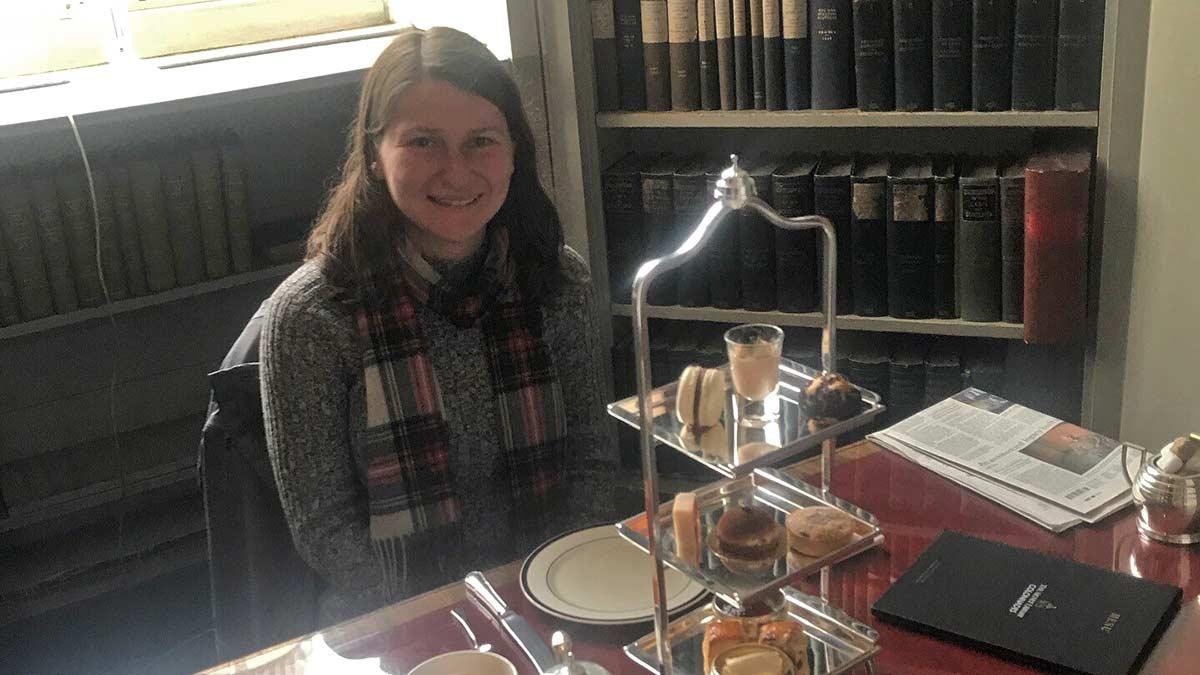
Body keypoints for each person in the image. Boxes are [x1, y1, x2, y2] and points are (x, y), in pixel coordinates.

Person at [260, 26, 616, 624]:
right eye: (423, 142)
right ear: (375, 154)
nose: (456, 172)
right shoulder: (311, 316)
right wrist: (456, 612)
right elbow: (325, 529)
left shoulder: (556, 280)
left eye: (482, 140)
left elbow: (593, 465)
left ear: (514, 152)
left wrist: (546, 592)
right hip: (395, 613)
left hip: (555, 588)